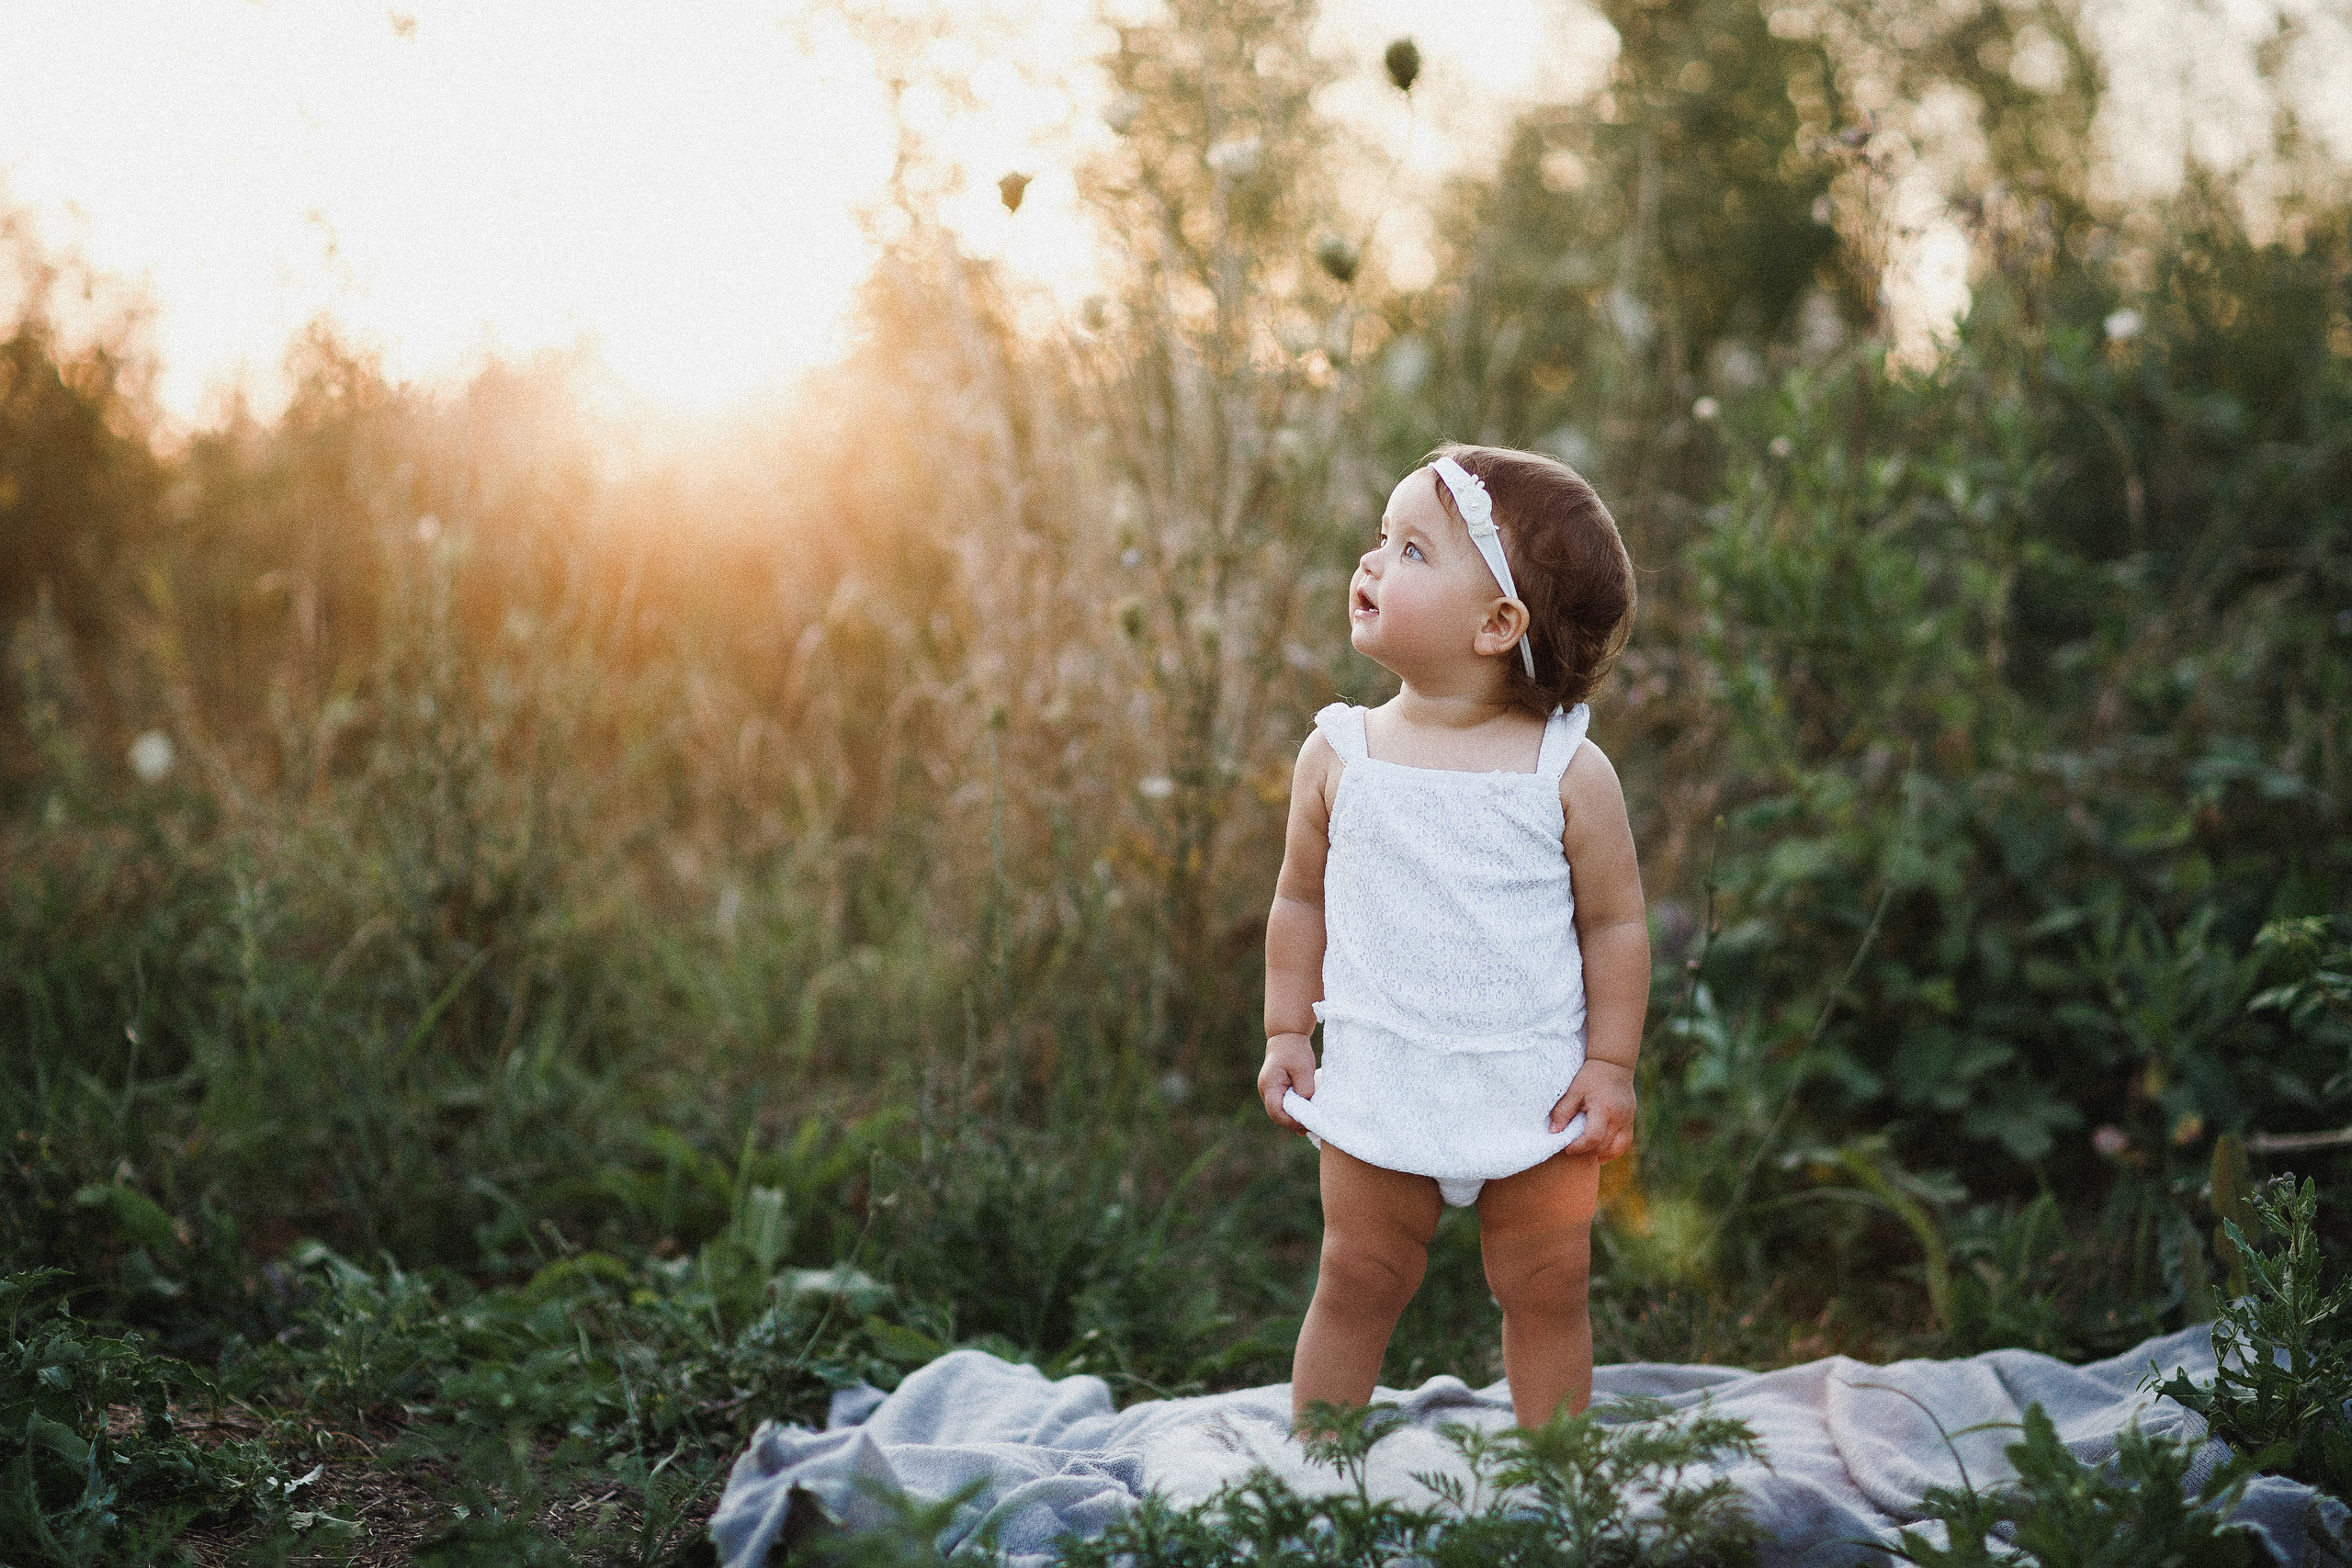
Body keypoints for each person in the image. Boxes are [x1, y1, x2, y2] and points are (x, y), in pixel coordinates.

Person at [1259, 443, 1645, 1432]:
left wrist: (1608, 1064)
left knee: (1547, 1284)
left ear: (1497, 624)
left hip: (1533, 1088)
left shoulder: (1564, 768)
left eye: (1413, 550)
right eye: (1380, 541)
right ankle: (1318, 1472)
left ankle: (1557, 1472)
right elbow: (1300, 903)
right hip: (1383, 1074)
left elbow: (1614, 925)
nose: (1373, 563)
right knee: (1359, 1274)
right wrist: (1286, 1033)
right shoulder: (1340, 750)